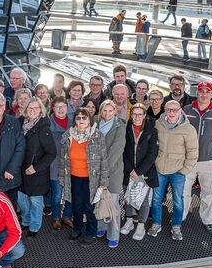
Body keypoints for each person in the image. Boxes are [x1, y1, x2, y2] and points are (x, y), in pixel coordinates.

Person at [182, 82, 212, 234]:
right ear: (197, 93)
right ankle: (180, 217)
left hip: (210, 161)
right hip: (188, 160)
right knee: (183, 191)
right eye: (201, 91)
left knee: (209, 193)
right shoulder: (186, 110)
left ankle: (208, 220)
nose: (203, 94)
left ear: (211, 94)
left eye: (206, 92)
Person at [148, 100, 198, 241]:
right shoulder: (158, 124)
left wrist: (184, 170)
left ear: (180, 110)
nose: (171, 113)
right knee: (156, 198)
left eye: (174, 110)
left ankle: (176, 225)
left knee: (177, 200)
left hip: (178, 171)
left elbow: (193, 152)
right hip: (160, 169)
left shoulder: (188, 129)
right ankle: (156, 223)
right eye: (169, 109)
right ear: (165, 110)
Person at [59, 107, 109, 247]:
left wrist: (104, 181)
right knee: (76, 205)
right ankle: (77, 230)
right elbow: (63, 159)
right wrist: (62, 178)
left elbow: (104, 160)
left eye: (84, 117)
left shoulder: (97, 136)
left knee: (90, 206)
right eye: (78, 117)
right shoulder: (68, 136)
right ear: (75, 120)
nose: (81, 120)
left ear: (89, 120)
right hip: (73, 178)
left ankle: (91, 233)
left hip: (91, 179)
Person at [18, 97, 56, 238]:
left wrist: (36, 167)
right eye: (30, 107)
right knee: (21, 198)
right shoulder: (21, 124)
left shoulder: (43, 128)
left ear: (41, 110)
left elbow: (52, 153)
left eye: (36, 108)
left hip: (36, 172)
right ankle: (26, 220)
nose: (32, 110)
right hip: (21, 170)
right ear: (26, 109)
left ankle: (34, 226)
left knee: (35, 200)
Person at [121, 103, 159, 241]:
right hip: (129, 171)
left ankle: (141, 225)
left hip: (145, 172)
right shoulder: (126, 129)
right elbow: (123, 151)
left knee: (143, 201)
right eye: (134, 114)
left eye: (140, 114)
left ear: (144, 116)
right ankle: (129, 221)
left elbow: (152, 153)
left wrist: (139, 171)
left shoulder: (151, 131)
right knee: (128, 198)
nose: (137, 117)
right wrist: (130, 169)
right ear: (131, 115)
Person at [95, 100, 125, 248]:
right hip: (95, 170)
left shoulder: (120, 125)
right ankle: (101, 227)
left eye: (110, 111)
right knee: (98, 200)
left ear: (115, 111)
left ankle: (113, 234)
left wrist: (104, 171)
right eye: (104, 111)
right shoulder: (95, 122)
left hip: (112, 171)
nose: (107, 114)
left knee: (112, 203)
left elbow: (116, 150)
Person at [44, 96, 73, 228]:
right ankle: (56, 217)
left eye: (63, 106)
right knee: (57, 194)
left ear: (67, 108)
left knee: (71, 193)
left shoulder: (74, 122)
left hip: (72, 164)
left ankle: (66, 216)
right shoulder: (47, 124)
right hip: (55, 165)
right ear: (53, 109)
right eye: (57, 107)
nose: (60, 109)